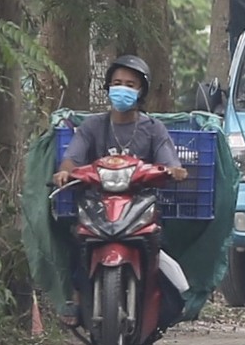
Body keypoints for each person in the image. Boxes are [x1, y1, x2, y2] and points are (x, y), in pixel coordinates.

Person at [54, 55, 186, 321]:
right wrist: (66, 171)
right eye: (116, 83)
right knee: (76, 241)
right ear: (108, 87)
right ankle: (78, 298)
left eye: (130, 84)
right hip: (96, 205)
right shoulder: (93, 126)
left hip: (140, 204)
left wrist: (172, 169)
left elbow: (168, 159)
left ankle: (160, 302)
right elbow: (74, 156)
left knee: (161, 242)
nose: (122, 88)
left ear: (141, 91)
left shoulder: (153, 129)